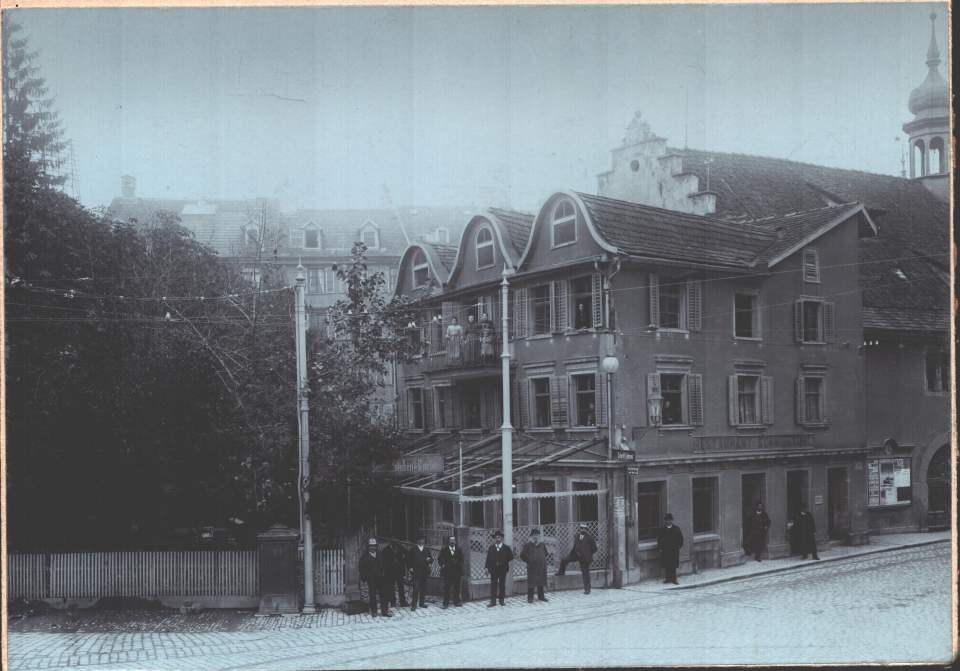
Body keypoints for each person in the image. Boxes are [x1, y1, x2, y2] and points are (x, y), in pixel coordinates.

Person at [557, 523, 597, 594]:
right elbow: (575, 546)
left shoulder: (590, 538)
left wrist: (588, 553)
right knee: (564, 560)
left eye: (584, 529)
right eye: (581, 528)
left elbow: (594, 549)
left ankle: (587, 589)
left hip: (584, 558)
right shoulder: (577, 536)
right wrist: (573, 553)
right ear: (580, 529)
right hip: (575, 554)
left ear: (587, 530)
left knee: (585, 573)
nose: (583, 530)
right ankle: (561, 572)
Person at [358, 538, 392, 617]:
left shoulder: (380, 554)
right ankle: (374, 611)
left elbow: (384, 565)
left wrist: (384, 574)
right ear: (368, 547)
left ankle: (384, 611)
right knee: (372, 595)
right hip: (371, 579)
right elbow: (361, 568)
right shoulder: (365, 556)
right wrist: (365, 577)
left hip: (381, 578)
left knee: (383, 595)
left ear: (376, 546)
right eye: (371, 546)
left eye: (374, 546)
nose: (372, 548)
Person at [485, 530, 513, 607]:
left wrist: (504, 561)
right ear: (494, 539)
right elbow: (488, 559)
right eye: (496, 537)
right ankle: (493, 601)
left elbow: (511, 557)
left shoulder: (506, 548)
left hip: (503, 569)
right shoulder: (491, 548)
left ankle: (501, 600)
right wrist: (486, 568)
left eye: (499, 537)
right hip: (493, 569)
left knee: (502, 585)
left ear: (502, 538)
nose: (498, 539)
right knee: (493, 584)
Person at [520, 528, 549, 603]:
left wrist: (540, 559)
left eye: (537, 535)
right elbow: (522, 555)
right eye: (534, 536)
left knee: (541, 581)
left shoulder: (542, 545)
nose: (536, 537)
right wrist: (529, 561)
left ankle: (541, 597)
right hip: (532, 567)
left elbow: (546, 553)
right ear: (531, 537)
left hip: (541, 567)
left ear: (539, 536)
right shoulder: (527, 545)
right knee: (531, 583)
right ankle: (530, 598)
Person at [437, 535, 464, 608]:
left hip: (457, 571)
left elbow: (462, 559)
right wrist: (443, 564)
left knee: (457, 587)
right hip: (447, 572)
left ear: (455, 542)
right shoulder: (444, 549)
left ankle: (457, 601)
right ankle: (445, 603)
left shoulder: (459, 549)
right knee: (447, 588)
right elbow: (440, 558)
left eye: (453, 541)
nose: (452, 542)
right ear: (449, 542)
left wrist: (459, 564)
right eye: (451, 541)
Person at [407, 536, 433, 610]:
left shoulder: (426, 549)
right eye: (420, 540)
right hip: (416, 572)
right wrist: (410, 567)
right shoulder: (413, 549)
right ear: (417, 541)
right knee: (416, 588)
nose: (421, 541)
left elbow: (431, 559)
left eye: (423, 540)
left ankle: (422, 603)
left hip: (424, 572)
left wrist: (429, 560)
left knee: (423, 588)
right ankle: (414, 605)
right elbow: (408, 559)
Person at [656, 513, 684, 585]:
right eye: (666, 520)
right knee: (667, 564)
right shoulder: (662, 529)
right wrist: (660, 548)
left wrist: (678, 547)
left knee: (673, 565)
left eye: (669, 520)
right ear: (665, 521)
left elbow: (681, 539)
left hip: (674, 550)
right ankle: (667, 579)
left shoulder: (676, 529)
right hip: (666, 550)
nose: (668, 521)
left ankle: (674, 579)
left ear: (672, 520)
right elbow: (659, 539)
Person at [380, 539, 407, 607]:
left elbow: (407, 554)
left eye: (395, 539)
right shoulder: (386, 550)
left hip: (399, 571)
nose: (394, 541)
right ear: (390, 541)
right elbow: (383, 561)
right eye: (392, 539)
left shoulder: (400, 547)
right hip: (390, 572)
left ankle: (402, 602)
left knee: (401, 587)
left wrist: (403, 561)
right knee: (391, 587)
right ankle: (393, 602)